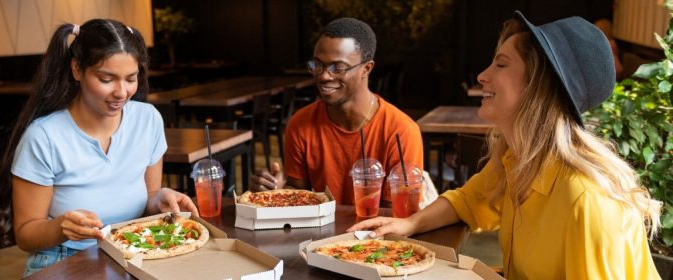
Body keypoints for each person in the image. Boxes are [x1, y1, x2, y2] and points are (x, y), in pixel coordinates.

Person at [349, 11, 662, 279]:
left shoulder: (586, 200)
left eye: (500, 65)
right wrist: (409, 223)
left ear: (536, 86)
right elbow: (468, 201)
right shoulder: (518, 160)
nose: (483, 76)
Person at [0, 19, 199, 276]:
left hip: (131, 252)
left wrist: (161, 198)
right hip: (62, 260)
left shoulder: (148, 119)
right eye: (106, 79)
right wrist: (60, 228)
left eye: (131, 79)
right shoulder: (43, 136)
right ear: (77, 69)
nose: (122, 92)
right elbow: (25, 234)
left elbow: (149, 197)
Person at [249, 17, 431, 206]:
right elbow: (299, 190)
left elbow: (395, 214)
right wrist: (279, 191)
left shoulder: (401, 131)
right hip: (320, 232)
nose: (324, 76)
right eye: (317, 65)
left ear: (366, 69)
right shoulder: (300, 123)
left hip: (377, 233)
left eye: (337, 68)